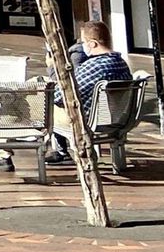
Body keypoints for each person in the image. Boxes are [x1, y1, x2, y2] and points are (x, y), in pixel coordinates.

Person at [43, 21, 135, 164]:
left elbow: (61, 96)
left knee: (40, 105)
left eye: (83, 42)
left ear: (92, 44)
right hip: (117, 117)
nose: (82, 46)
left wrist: (51, 71)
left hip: (86, 119)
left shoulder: (93, 67)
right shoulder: (121, 63)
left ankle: (11, 150)